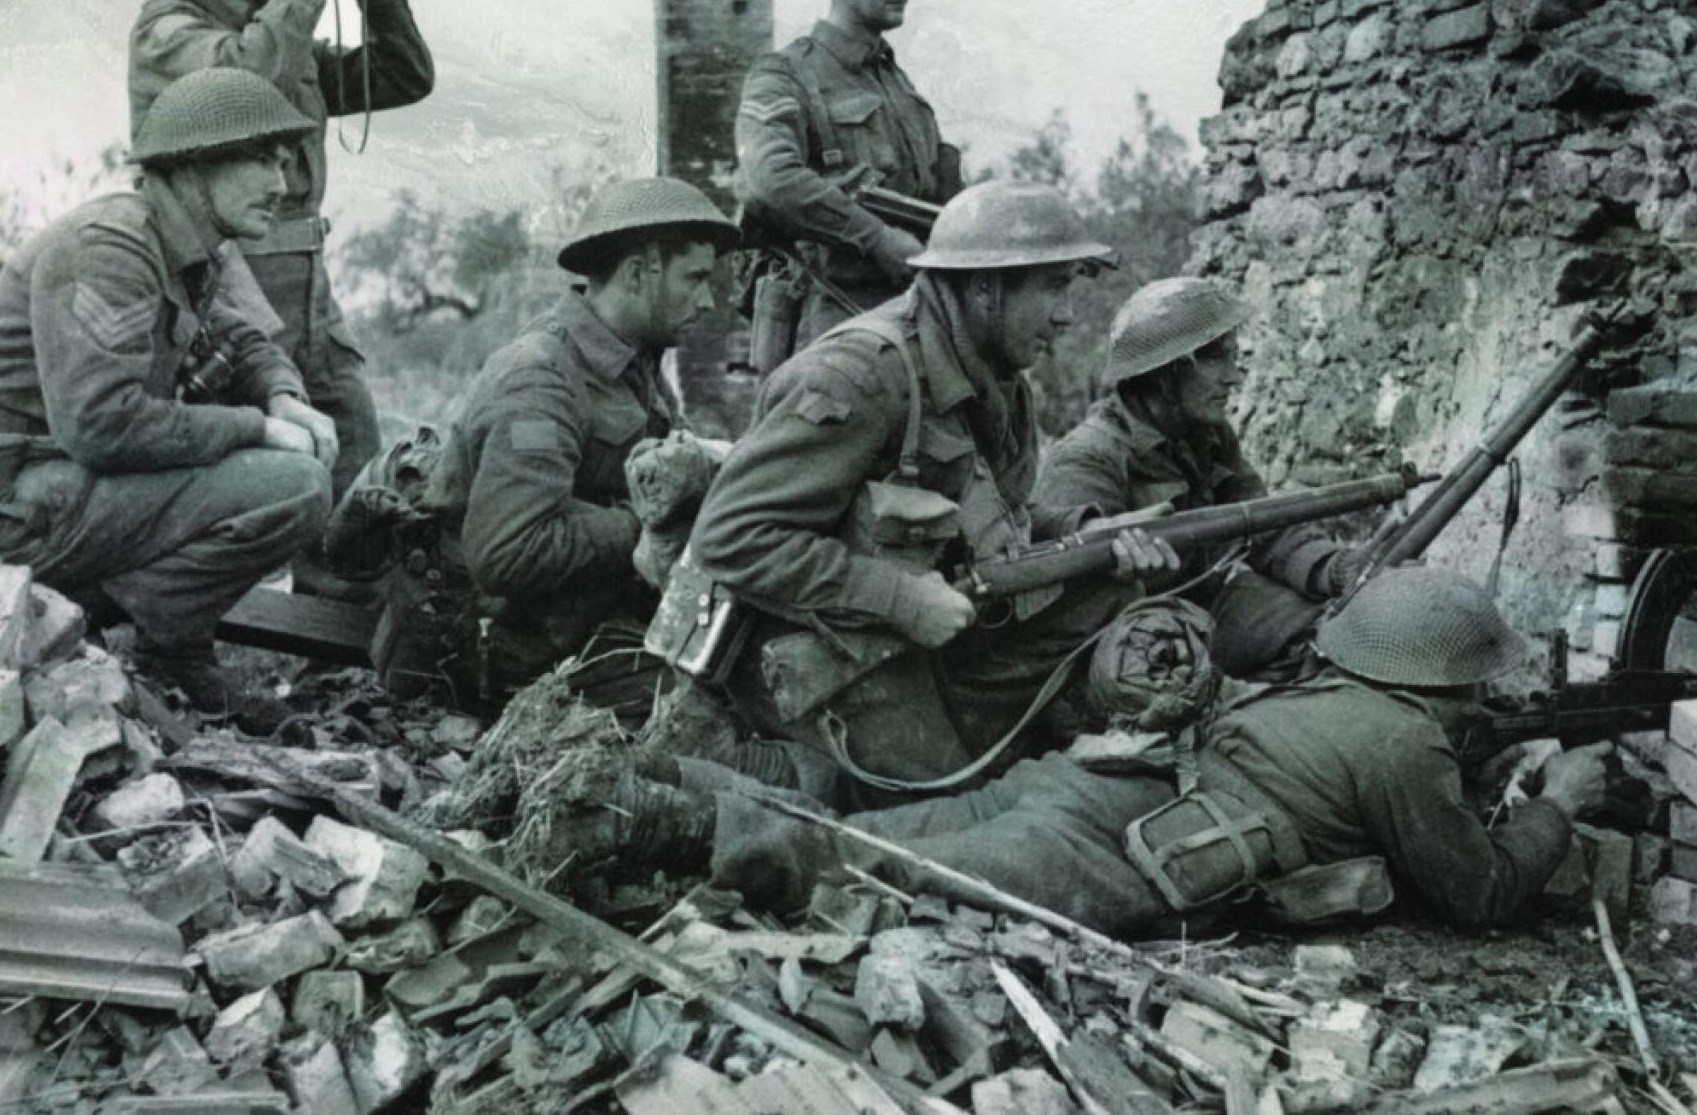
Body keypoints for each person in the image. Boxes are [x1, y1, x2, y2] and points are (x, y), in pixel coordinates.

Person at [608, 567, 1617, 937]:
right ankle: (658, 816)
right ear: (1445, 683)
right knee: (887, 869)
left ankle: (661, 791)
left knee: (872, 837)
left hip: (1095, 779)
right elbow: (1479, 893)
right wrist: (1557, 800)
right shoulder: (1406, 745)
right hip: (1135, 850)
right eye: (1476, 687)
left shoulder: (1325, 684)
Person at [663, 181, 1171, 803]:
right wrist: (900, 599)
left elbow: (993, 516)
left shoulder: (999, 379)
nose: (1066, 314)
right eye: (1054, 287)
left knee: (1106, 597)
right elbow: (728, 538)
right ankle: (759, 762)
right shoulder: (859, 378)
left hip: (920, 632)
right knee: (951, 813)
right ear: (986, 288)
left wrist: (1080, 532)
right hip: (811, 655)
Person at [0, 69, 337, 729]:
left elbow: (242, 338)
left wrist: (284, 396)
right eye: (262, 157)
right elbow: (102, 425)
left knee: (294, 470)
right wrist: (257, 427)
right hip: (11, 514)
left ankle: (145, 643)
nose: (283, 182)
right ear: (193, 162)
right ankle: (140, 644)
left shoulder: (192, 248)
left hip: (66, 492)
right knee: (293, 485)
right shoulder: (110, 246)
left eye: (287, 160)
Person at [127, 0, 435, 559]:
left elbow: (403, 77)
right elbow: (238, 87)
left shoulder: (278, 35)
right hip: (226, 276)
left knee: (351, 438)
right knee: (231, 443)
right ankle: (175, 638)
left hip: (305, 275)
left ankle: (337, 638)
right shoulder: (171, 28)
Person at [399, 178, 739, 712]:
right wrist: (646, 526)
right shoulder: (540, 377)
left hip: (566, 619)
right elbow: (506, 552)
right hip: (495, 651)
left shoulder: (632, 359)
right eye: (694, 278)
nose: (707, 298)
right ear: (640, 271)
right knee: (710, 712)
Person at [1033, 277, 1367, 678]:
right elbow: (1068, 615)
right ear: (1163, 374)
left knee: (1337, 631)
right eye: (1214, 359)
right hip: (1129, 650)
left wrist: (1339, 568)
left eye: (1232, 357)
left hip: (1206, 608)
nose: (1234, 377)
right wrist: (1130, 579)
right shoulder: (1086, 460)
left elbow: (1265, 526)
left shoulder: (1205, 433)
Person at [734, 0, 963, 362]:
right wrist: (875, 238)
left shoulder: (901, 89)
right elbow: (767, 180)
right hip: (827, 332)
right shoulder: (784, 76)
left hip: (910, 325)